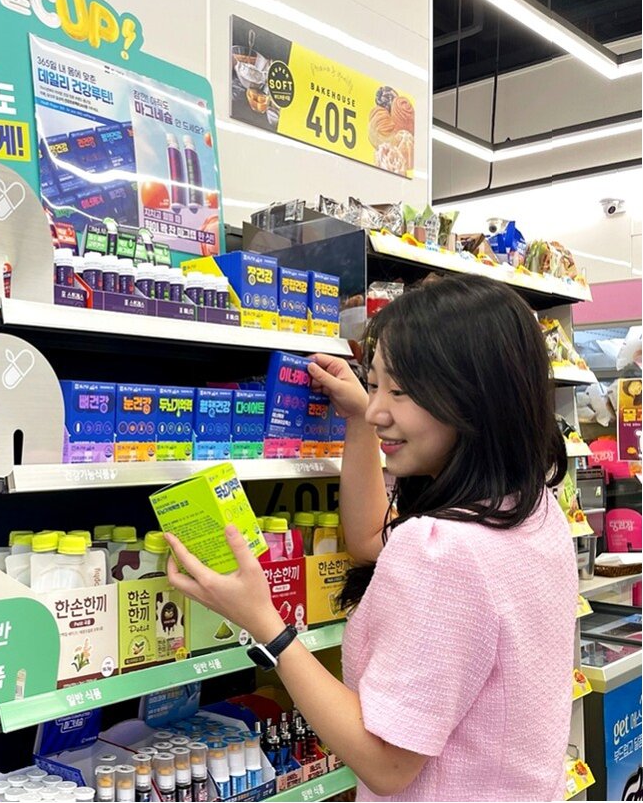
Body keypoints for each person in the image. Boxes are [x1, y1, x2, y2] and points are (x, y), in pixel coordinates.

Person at [166, 275, 577, 801]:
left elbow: (386, 763)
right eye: (374, 384)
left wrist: (265, 624)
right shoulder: (532, 510)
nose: (378, 409)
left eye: (399, 391)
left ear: (476, 397)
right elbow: (367, 540)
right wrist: (359, 422)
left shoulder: (445, 550)